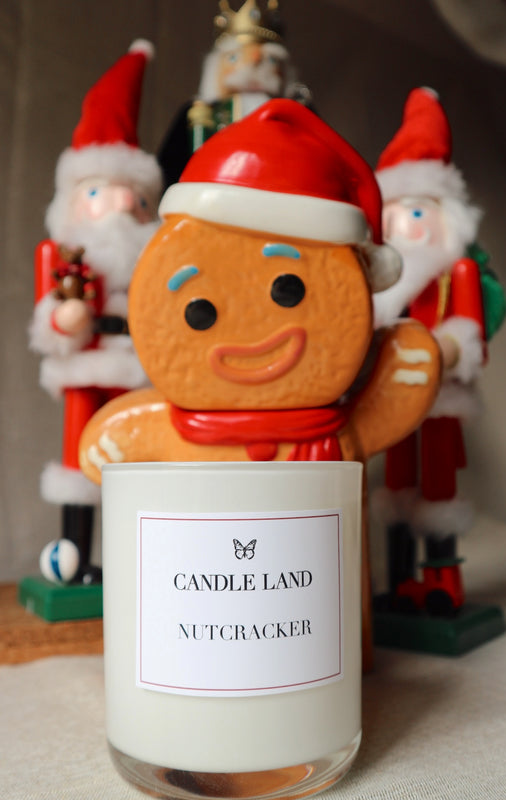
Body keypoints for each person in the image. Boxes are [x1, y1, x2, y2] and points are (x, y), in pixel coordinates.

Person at [28, 40, 163, 585]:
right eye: (106, 192)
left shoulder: (154, 254)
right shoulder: (61, 254)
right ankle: (77, 556)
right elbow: (50, 316)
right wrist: (66, 320)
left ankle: (140, 560)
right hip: (87, 367)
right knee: (80, 459)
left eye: (135, 195)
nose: (124, 207)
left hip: (139, 365)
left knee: (139, 457)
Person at [373, 86, 506, 615]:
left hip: (440, 396)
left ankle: (443, 578)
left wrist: (446, 350)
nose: (402, 226)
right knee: (398, 480)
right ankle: (401, 579)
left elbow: (469, 330)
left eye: (415, 212)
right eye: (392, 214)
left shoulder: (459, 270)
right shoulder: (383, 285)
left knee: (439, 484)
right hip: (394, 396)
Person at [157, 0, 312, 189]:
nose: (253, 64)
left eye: (270, 60)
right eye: (234, 58)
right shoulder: (198, 112)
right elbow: (169, 171)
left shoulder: (298, 114)